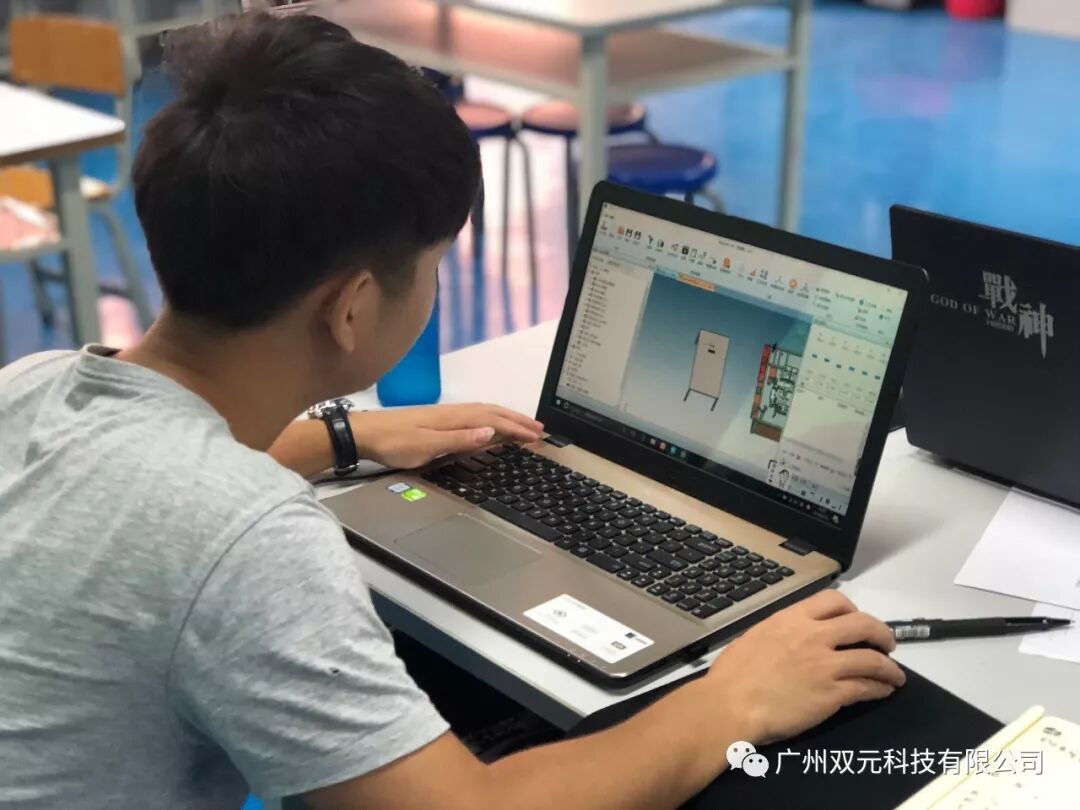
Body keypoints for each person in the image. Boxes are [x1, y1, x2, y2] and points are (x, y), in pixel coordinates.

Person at [0, 12, 905, 810]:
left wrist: (345, 438)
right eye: (433, 263)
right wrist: (731, 700)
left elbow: (147, 497)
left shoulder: (32, 386)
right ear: (351, 308)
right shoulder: (250, 541)